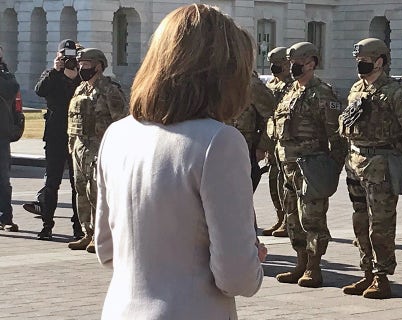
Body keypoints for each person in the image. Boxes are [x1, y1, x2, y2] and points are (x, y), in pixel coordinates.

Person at [94, 5, 265, 319]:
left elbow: (106, 250)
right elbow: (236, 276)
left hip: (120, 308)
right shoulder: (219, 141)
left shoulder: (117, 134)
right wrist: (252, 258)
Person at [339, 38, 402, 299]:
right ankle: (366, 271)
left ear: (379, 61)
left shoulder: (397, 93)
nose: (360, 64)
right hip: (356, 162)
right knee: (360, 220)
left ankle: (382, 276)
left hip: (381, 164)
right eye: (358, 60)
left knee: (381, 224)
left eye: (365, 59)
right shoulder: (356, 88)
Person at [273, 41, 347, 288]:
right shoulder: (289, 92)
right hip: (288, 166)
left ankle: (314, 268)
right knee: (292, 217)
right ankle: (300, 263)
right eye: (290, 63)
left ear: (312, 64)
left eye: (297, 64)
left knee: (312, 218)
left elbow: (336, 136)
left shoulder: (323, 93)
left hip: (311, 167)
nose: (292, 68)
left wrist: (332, 170)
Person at [66, 48, 128, 252]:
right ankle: (87, 232)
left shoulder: (111, 90)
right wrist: (72, 144)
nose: (81, 68)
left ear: (98, 66)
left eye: (85, 64)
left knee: (97, 192)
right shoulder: (80, 89)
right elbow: (73, 118)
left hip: (100, 147)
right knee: (80, 190)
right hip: (80, 147)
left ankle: (102, 235)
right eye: (80, 64)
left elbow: (122, 121)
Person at [24, 39, 83, 240]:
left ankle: (78, 227)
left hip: (77, 136)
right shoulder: (52, 75)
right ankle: (47, 225)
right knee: (52, 182)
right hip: (55, 135)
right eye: (64, 57)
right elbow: (39, 90)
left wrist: (78, 73)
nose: (68, 61)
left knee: (78, 184)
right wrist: (55, 70)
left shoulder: (82, 75)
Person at [226, 71, 275, 191]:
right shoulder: (214, 82)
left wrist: (262, 147)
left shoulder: (251, 85)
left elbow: (272, 117)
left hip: (244, 151)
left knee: (239, 199)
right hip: (219, 150)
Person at [262, 46, 293, 237]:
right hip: (272, 141)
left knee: (286, 183)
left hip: (286, 141)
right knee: (274, 181)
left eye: (279, 64)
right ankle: (280, 217)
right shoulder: (271, 85)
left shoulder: (292, 85)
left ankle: (289, 221)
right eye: (272, 64)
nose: (275, 67)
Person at [0, 45, 19, 232]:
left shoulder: (6, 76)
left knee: (3, 180)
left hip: (1, 135)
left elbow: (11, 89)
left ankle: (6, 217)